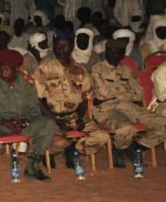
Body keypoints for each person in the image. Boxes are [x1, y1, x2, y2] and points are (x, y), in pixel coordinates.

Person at [0, 50, 55, 184]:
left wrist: (25, 121)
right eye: (2, 67)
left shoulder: (28, 84)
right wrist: (3, 121)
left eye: (7, 69)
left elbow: (34, 110)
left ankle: (33, 166)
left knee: (48, 124)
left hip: (23, 125)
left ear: (17, 69)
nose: (3, 71)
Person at [91, 40, 166, 167]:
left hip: (131, 108)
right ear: (106, 52)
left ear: (122, 54)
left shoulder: (126, 69)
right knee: (126, 128)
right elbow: (103, 93)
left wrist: (117, 92)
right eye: (110, 51)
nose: (113, 54)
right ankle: (119, 150)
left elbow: (139, 93)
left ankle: (137, 146)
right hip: (108, 109)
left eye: (117, 52)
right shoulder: (98, 69)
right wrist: (127, 92)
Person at [34, 31, 109, 166]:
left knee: (102, 136)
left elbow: (85, 98)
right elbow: (38, 101)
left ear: (72, 46)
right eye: (58, 46)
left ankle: (75, 148)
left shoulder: (80, 71)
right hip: (51, 117)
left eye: (65, 46)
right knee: (57, 140)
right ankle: (54, 150)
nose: (61, 49)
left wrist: (79, 118)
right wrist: (55, 120)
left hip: (74, 116)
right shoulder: (43, 69)